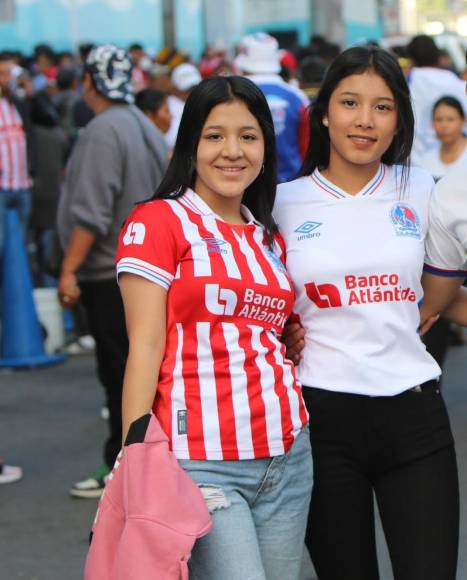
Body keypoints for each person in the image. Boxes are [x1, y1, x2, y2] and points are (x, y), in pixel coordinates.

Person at [115, 75, 312, 580]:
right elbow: (144, 345)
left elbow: (271, 331)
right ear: (190, 145)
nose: (233, 151)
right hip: (202, 464)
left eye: (248, 136)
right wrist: (135, 460)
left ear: (266, 146)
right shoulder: (159, 221)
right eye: (214, 135)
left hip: (288, 455)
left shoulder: (267, 236)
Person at [274, 46, 459, 580]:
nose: (365, 120)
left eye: (382, 107)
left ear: (399, 117)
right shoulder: (281, 203)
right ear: (325, 111)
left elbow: (444, 297)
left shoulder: (423, 190)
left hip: (415, 415)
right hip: (320, 421)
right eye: (350, 102)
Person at [57, 45, 167, 499]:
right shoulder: (142, 122)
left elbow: (91, 212)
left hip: (111, 272)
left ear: (88, 83)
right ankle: (142, 465)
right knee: (139, 371)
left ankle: (121, 467)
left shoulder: (103, 129)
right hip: (148, 268)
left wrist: (68, 269)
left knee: (120, 375)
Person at [235, 33, 309, 182]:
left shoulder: (233, 93)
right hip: (292, 185)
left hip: (245, 186)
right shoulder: (297, 96)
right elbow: (307, 147)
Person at [406, 34, 466, 166]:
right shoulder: (457, 83)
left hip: (416, 164)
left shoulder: (406, 83)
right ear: (438, 57)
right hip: (458, 161)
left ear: (412, 59)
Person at [420, 95, 467, 181]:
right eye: (439, 119)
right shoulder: (426, 160)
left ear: (463, 120)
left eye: (450, 119)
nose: (444, 125)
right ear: (432, 124)